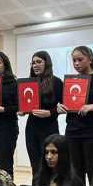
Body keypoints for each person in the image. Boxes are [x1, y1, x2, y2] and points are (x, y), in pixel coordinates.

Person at [58, 46, 93, 184]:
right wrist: (59, 106)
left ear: (90, 59)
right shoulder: (72, 81)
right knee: (75, 174)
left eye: (80, 59)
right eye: (74, 60)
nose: (76, 63)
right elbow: (63, 102)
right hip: (72, 131)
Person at [23, 51, 63, 179]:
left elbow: (66, 107)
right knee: (35, 166)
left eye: (39, 62)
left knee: (50, 165)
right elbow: (23, 104)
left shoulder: (56, 82)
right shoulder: (28, 83)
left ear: (47, 63)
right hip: (31, 129)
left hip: (49, 129)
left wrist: (50, 113)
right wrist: (22, 110)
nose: (35, 65)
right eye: (33, 63)